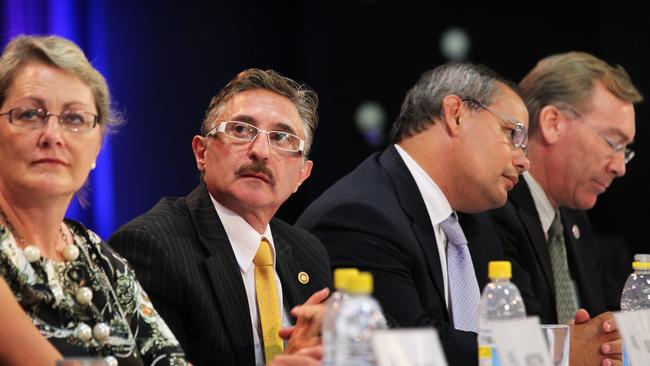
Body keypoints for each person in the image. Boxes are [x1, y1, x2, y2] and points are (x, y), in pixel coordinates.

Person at [297, 62, 530, 365]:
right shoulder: (359, 216)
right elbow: (410, 350)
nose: (524, 161)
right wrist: (545, 352)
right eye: (512, 134)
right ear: (455, 114)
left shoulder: (477, 223)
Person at [109, 68, 333, 366]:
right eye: (241, 130)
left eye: (282, 137)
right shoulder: (151, 246)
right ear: (201, 153)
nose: (261, 152)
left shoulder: (308, 250)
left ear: (301, 177)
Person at [0, 35, 187, 365]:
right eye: (30, 114)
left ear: (97, 147)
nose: (53, 137)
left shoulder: (104, 262)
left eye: (74, 119)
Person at [489, 51, 642, 365]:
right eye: (613, 143)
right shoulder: (494, 210)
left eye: (626, 152)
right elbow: (519, 344)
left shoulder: (573, 221)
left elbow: (611, 320)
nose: (620, 167)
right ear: (552, 123)